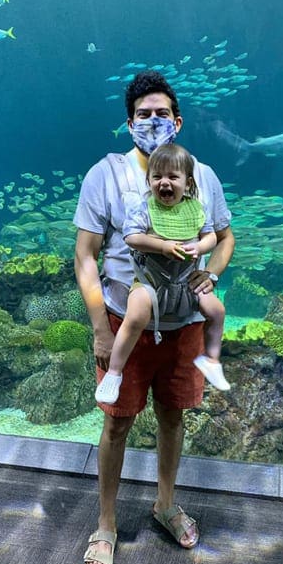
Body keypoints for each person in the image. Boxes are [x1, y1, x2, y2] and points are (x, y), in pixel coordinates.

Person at [74, 70, 234, 564]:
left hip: (185, 322)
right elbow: (85, 257)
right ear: (128, 124)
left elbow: (224, 237)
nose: (152, 121)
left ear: (178, 120)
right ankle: (105, 525)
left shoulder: (202, 175)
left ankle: (165, 505)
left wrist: (212, 273)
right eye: (143, 115)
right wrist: (100, 327)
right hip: (128, 321)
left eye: (161, 113)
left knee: (172, 417)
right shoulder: (106, 174)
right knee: (117, 422)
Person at [94, 143, 232, 406]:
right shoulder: (144, 208)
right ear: (148, 181)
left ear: (188, 182)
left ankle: (212, 359)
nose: (164, 183)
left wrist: (200, 248)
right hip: (150, 282)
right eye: (157, 177)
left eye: (172, 177)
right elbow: (132, 237)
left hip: (186, 283)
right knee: (136, 315)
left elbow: (212, 236)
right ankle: (114, 372)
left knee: (217, 311)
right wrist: (163, 246)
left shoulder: (195, 208)